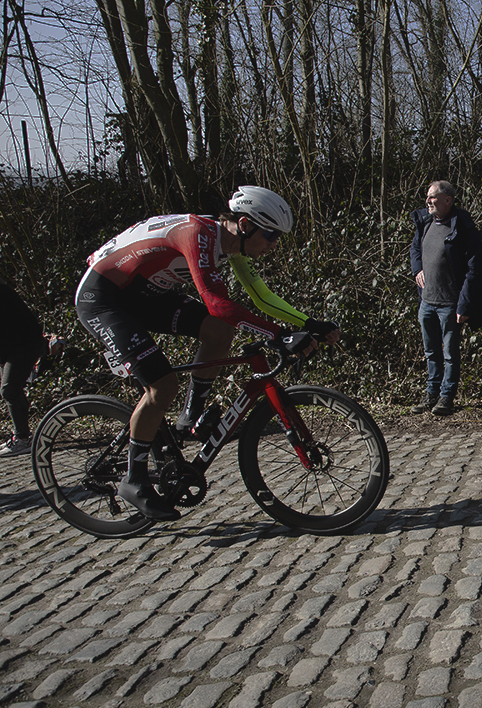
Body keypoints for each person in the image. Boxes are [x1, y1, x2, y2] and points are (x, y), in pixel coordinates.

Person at [75, 186, 337, 520]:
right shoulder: (197, 233)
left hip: (145, 295)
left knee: (219, 331)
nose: (274, 245)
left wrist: (308, 323)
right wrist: (278, 335)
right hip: (103, 298)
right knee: (162, 385)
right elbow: (216, 302)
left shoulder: (232, 244)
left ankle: (190, 418)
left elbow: (261, 297)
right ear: (244, 225)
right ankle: (134, 478)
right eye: (271, 235)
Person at [410, 180, 482, 416]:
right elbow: (414, 250)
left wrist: (464, 305)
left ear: (448, 200)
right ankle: (431, 392)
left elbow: (475, 271)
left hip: (450, 304)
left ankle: (446, 397)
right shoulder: (424, 223)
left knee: (451, 354)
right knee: (431, 351)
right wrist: (417, 270)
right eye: (428, 197)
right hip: (427, 302)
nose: (428, 201)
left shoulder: (463, 229)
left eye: (433, 197)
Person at [0, 283, 62, 457]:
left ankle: (23, 440)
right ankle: (22, 436)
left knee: (9, 390)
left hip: (23, 346)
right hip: (20, 345)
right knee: (11, 390)